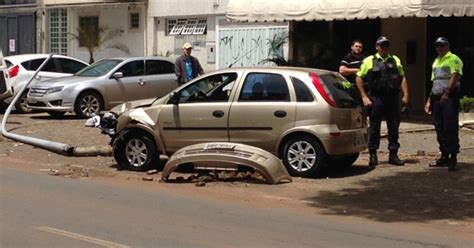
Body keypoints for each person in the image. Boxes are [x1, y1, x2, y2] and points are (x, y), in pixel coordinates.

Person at [355, 36, 409, 167]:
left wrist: (406, 95)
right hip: (376, 97)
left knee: (394, 126)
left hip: (392, 97)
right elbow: (359, 78)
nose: (384, 48)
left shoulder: (395, 59)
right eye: (382, 45)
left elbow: (402, 77)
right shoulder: (369, 60)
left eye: (386, 45)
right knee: (374, 127)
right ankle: (373, 154)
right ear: (376, 46)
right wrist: (364, 96)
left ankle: (393, 154)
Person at [424, 37, 463, 172]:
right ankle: (444, 155)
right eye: (437, 46)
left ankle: (453, 157)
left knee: (450, 126)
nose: (439, 48)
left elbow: (455, 76)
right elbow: (434, 82)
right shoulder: (436, 61)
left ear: (447, 45)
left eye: (442, 45)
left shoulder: (454, 59)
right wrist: (429, 101)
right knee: (439, 127)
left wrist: (447, 93)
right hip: (436, 98)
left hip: (449, 98)